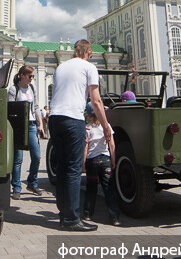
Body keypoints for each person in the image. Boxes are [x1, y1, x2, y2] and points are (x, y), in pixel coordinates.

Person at [48, 39, 111, 232]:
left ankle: (63, 215)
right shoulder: (89, 67)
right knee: (74, 170)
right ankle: (72, 219)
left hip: (54, 118)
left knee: (63, 168)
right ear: (89, 52)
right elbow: (96, 100)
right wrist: (106, 126)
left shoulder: (61, 67)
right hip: (72, 118)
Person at [8, 65, 46, 200]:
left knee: (36, 156)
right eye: (29, 76)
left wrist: (40, 124)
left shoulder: (32, 88)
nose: (31, 78)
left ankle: (32, 182)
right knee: (18, 159)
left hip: (31, 125)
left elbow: (35, 107)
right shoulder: (14, 89)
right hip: (19, 126)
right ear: (21, 75)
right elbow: (10, 109)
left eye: (33, 76)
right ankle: (16, 187)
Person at [82, 102, 120, 226]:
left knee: (91, 188)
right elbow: (112, 144)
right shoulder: (106, 126)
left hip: (92, 161)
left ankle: (88, 214)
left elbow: (85, 148)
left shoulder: (87, 128)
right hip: (105, 161)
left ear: (88, 115)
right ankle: (114, 217)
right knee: (109, 188)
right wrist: (113, 160)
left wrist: (83, 164)